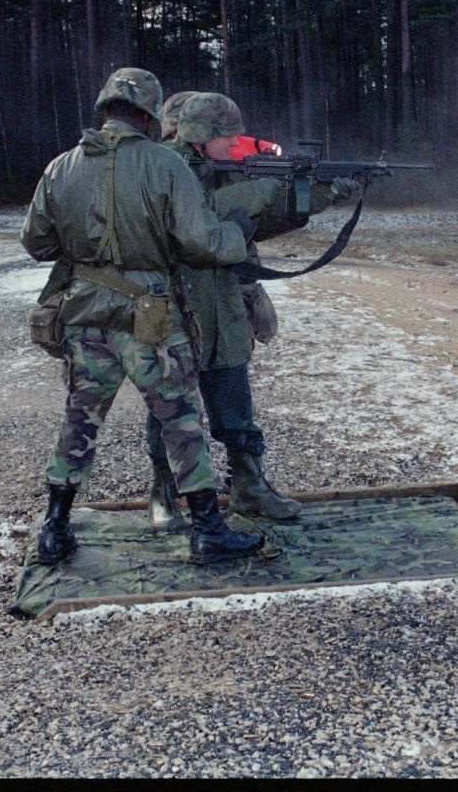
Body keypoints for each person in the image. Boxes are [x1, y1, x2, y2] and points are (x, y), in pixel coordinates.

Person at [20, 68, 264, 566]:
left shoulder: (60, 167)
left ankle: (53, 529)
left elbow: (36, 242)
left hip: (85, 313)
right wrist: (238, 232)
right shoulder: (165, 165)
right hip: (148, 317)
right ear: (152, 115)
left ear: (105, 107)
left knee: (79, 420)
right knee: (180, 420)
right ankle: (208, 531)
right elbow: (200, 241)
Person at [144, 92, 359, 528]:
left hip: (224, 302)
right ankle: (164, 490)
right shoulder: (163, 166)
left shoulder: (224, 169)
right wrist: (258, 189)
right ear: (202, 135)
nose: (236, 143)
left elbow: (260, 220)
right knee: (169, 408)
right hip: (176, 307)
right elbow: (191, 221)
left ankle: (248, 485)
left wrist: (320, 193)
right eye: (227, 136)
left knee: (236, 405)